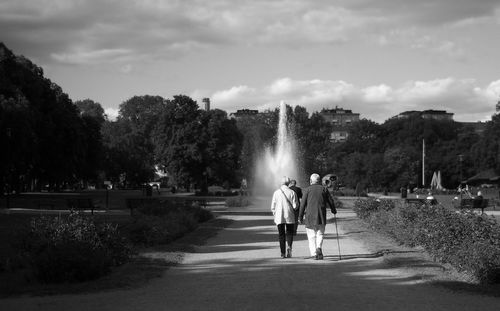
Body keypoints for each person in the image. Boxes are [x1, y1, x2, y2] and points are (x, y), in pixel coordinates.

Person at [299, 173, 337, 260]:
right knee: (320, 233)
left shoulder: (307, 190)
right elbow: (330, 201)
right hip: (321, 214)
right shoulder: (324, 189)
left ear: (311, 181)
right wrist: (333, 210)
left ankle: (314, 253)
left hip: (310, 216)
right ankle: (319, 247)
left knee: (311, 235)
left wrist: (300, 216)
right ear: (319, 181)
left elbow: (302, 204)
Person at [271, 176, 298, 258]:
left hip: (279, 216)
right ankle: (289, 246)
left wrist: (275, 214)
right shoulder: (292, 192)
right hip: (289, 215)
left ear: (281, 183)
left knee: (281, 235)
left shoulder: (276, 192)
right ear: (288, 183)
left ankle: (282, 253)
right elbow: (295, 206)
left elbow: (273, 206)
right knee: (289, 233)